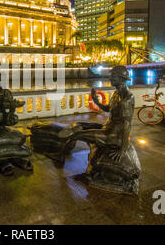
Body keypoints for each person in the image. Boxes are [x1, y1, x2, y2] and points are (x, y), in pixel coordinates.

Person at [60, 65, 141, 194]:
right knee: (80, 125)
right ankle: (67, 148)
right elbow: (108, 109)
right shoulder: (116, 93)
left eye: (113, 76)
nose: (110, 78)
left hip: (113, 136)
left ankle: (61, 157)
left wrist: (123, 148)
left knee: (78, 134)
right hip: (107, 128)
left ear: (121, 78)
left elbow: (127, 125)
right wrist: (96, 102)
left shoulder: (126, 98)